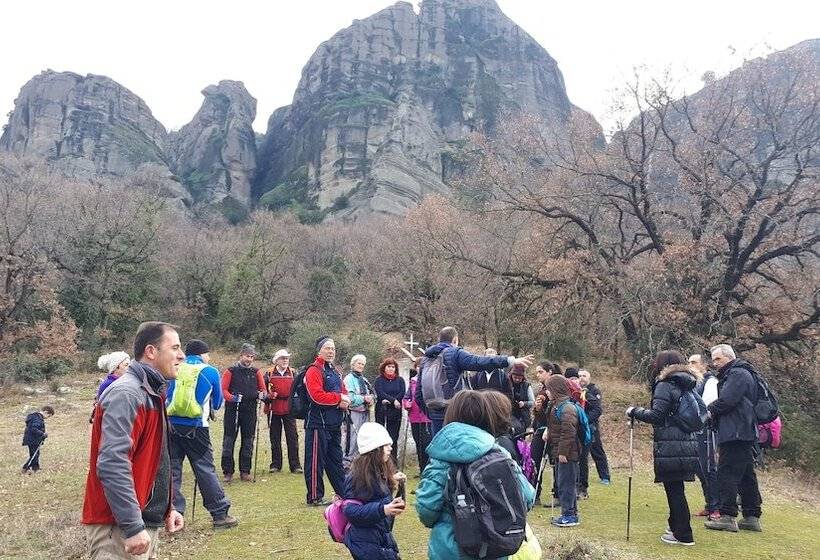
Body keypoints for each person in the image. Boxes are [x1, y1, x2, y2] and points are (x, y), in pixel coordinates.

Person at [82, 321, 185, 559]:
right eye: (175, 348)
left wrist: (166, 508)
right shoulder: (127, 394)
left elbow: (155, 460)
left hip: (141, 522)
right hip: (118, 528)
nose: (182, 355)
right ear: (151, 351)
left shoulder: (152, 392)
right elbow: (113, 463)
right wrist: (133, 526)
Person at [415, 390, 535, 559]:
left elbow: (426, 511)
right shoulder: (498, 453)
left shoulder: (441, 459)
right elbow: (527, 496)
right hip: (495, 546)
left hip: (452, 549)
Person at [626, 350, 701, 546]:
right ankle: (675, 525)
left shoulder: (665, 385)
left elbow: (657, 416)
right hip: (687, 442)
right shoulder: (687, 384)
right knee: (676, 487)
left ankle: (683, 533)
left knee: (674, 489)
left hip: (670, 443)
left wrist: (635, 411)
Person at [166, 339, 237, 529]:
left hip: (171, 425)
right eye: (208, 353)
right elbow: (217, 403)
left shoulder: (176, 368)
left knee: (172, 470)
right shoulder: (210, 371)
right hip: (197, 427)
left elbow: (167, 395)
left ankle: (173, 514)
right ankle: (220, 514)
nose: (209, 357)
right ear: (202, 354)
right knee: (204, 469)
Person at [416, 326, 533, 436]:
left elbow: (418, 395)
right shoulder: (454, 353)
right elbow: (478, 362)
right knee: (459, 451)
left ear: (439, 339)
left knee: (439, 451)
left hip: (434, 414)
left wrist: (431, 414)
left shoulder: (426, 359)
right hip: (455, 413)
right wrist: (509, 360)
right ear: (455, 339)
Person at [704, 344, 764, 533]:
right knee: (746, 474)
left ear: (729, 357)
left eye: (718, 359)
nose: (715, 363)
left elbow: (728, 401)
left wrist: (708, 410)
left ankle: (727, 516)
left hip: (735, 431)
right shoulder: (743, 372)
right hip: (742, 430)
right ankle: (751, 516)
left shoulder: (737, 373)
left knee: (727, 472)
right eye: (713, 359)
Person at [342, 422, 406, 560]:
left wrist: (392, 480)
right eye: (386, 445)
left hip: (379, 534)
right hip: (365, 541)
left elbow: (375, 495)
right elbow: (350, 511)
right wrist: (384, 510)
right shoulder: (358, 476)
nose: (390, 448)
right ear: (375, 449)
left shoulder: (377, 470)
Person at [304, 335, 351, 506]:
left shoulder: (335, 371)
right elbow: (316, 397)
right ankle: (314, 496)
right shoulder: (314, 370)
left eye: (333, 348)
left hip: (334, 424)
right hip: (318, 424)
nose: (331, 351)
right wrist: (339, 399)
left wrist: (346, 400)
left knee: (336, 461)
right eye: (327, 348)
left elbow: (344, 391)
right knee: (316, 461)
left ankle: (344, 492)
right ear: (319, 350)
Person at [221, 343, 266, 482]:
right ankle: (228, 471)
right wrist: (233, 398)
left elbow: (263, 389)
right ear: (241, 355)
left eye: (252, 357)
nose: (249, 359)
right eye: (247, 356)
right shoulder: (231, 371)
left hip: (250, 410)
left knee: (248, 441)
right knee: (229, 441)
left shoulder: (256, 371)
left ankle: (245, 471)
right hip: (233, 411)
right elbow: (223, 390)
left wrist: (262, 395)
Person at [544, 375, 582, 527]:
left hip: (567, 454)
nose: (547, 392)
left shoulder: (567, 408)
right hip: (561, 451)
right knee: (565, 483)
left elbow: (568, 432)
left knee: (566, 484)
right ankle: (571, 513)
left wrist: (562, 453)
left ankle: (568, 515)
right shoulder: (556, 405)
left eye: (548, 389)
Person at [689, 353, 720, 519]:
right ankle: (709, 504)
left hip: (707, 431)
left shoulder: (711, 382)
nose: (690, 365)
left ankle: (716, 507)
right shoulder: (694, 383)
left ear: (704, 365)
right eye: (689, 362)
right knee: (699, 469)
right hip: (695, 431)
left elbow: (708, 406)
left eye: (694, 362)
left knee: (709, 468)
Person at [263, 349, 302, 474]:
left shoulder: (293, 373)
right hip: (274, 408)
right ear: (277, 360)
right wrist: (268, 396)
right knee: (275, 437)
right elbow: (263, 390)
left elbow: (299, 389)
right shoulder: (269, 373)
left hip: (289, 409)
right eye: (282, 358)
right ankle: (275, 465)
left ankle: (295, 465)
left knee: (292, 437)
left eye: (286, 358)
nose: (285, 360)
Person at [577, 368, 611, 498]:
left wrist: (585, 421)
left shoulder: (594, 391)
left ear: (589, 378)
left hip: (592, 427)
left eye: (584, 376)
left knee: (597, 451)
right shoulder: (575, 391)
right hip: (579, 427)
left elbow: (597, 410)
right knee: (581, 456)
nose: (581, 378)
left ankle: (605, 476)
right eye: (579, 376)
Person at [343, 354, 374, 468]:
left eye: (363, 364)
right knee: (351, 438)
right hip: (352, 413)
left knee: (362, 438)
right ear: (353, 364)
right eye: (359, 363)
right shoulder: (348, 379)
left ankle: (358, 464)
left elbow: (372, 393)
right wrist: (364, 399)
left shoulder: (364, 380)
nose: (361, 366)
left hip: (365, 413)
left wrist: (371, 399)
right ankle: (346, 463)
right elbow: (350, 398)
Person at [374, 357, 406, 464]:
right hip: (382, 411)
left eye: (393, 367)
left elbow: (402, 392)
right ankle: (380, 462)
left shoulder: (400, 380)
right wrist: (393, 401)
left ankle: (393, 464)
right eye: (389, 366)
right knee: (382, 438)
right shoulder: (379, 380)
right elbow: (380, 393)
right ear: (384, 367)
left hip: (395, 412)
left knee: (393, 438)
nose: (391, 369)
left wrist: (395, 401)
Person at [530, 362, 553, 506]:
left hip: (553, 430)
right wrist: (538, 409)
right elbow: (540, 417)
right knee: (534, 460)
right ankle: (534, 494)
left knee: (555, 463)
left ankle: (559, 495)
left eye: (541, 372)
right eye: (537, 372)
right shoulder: (541, 389)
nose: (538, 375)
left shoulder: (555, 388)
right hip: (540, 429)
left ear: (549, 372)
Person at [403, 362, 432, 474]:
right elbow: (407, 397)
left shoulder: (429, 380)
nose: (420, 368)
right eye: (418, 366)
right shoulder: (413, 382)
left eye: (422, 366)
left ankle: (428, 471)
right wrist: (407, 403)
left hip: (427, 418)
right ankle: (421, 470)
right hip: (415, 418)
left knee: (427, 445)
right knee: (418, 445)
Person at [22, 405, 54, 474]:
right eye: (49, 416)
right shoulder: (37, 418)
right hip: (32, 439)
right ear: (46, 412)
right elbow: (33, 429)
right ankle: (25, 467)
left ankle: (35, 467)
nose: (47, 418)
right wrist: (42, 434)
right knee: (34, 454)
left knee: (35, 453)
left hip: (32, 439)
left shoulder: (36, 417)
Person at [509, 363, 535, 435]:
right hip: (509, 414)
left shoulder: (527, 386)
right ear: (511, 375)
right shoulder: (507, 384)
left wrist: (524, 404)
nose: (517, 379)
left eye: (519, 378)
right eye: (515, 377)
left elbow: (533, 402)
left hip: (523, 416)